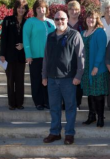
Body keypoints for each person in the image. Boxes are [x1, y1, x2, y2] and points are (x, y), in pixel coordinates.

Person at [42, 11, 84, 145]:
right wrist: (44, 75)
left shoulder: (74, 35)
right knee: (54, 107)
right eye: (57, 19)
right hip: (52, 79)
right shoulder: (50, 36)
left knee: (70, 107)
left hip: (68, 79)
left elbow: (81, 57)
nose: (60, 21)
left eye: (62, 19)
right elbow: (46, 58)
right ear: (53, 21)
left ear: (67, 20)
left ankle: (69, 134)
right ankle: (55, 132)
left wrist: (78, 75)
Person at [23, 0, 55, 110]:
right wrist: (28, 54)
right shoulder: (30, 22)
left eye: (43, 7)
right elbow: (26, 39)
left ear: (46, 9)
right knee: (36, 79)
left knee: (49, 79)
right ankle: (38, 102)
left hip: (50, 57)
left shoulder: (51, 22)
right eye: (38, 8)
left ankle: (47, 101)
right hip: (35, 57)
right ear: (35, 10)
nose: (41, 10)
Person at [0, 0, 29, 110]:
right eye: (19, 7)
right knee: (10, 80)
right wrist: (2, 54)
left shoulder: (27, 22)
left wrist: (24, 45)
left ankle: (20, 103)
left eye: (23, 8)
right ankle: (12, 104)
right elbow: (4, 38)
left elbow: (29, 39)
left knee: (20, 80)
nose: (21, 10)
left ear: (26, 10)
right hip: (9, 55)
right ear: (15, 8)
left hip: (21, 56)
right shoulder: (7, 20)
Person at [81, 11, 109, 127]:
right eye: (88, 18)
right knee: (90, 93)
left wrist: (96, 66)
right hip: (86, 68)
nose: (90, 20)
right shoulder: (82, 33)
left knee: (98, 94)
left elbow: (102, 50)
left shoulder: (100, 32)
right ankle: (91, 116)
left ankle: (100, 118)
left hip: (97, 67)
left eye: (92, 18)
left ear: (97, 20)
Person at [67, 0, 84, 109]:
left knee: (78, 80)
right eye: (72, 9)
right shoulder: (63, 23)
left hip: (79, 55)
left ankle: (77, 103)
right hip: (66, 57)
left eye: (76, 10)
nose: (74, 12)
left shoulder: (83, 24)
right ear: (68, 11)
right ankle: (66, 103)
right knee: (66, 82)